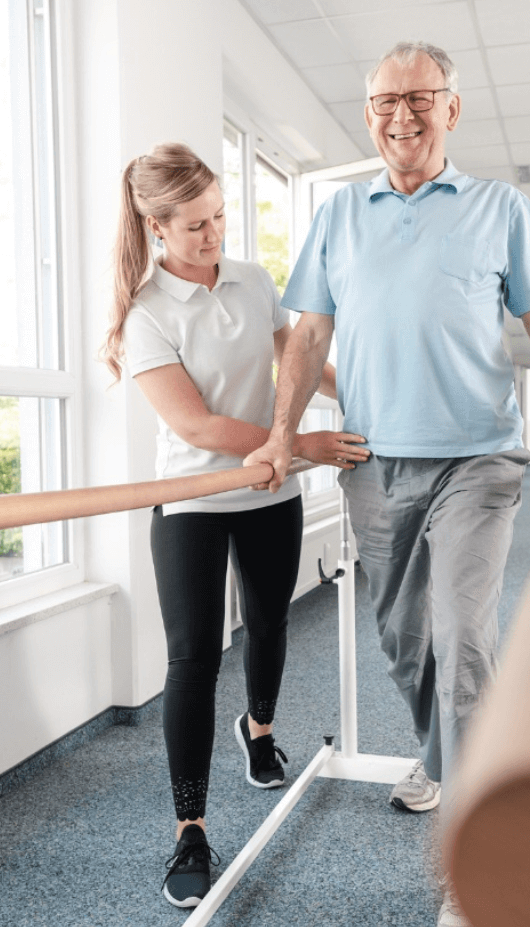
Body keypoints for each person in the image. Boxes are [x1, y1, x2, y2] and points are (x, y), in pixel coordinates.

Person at [243, 43, 530, 927]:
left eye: (419, 98)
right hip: (371, 464)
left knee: (462, 634)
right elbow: (306, 337)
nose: (400, 115)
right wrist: (280, 436)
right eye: (383, 102)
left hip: (478, 460)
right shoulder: (339, 215)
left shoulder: (500, 208)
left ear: (453, 109)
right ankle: (446, 758)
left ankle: (477, 856)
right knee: (407, 643)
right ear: (367, 112)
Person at [101, 143, 370, 909]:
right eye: (194, 226)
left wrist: (351, 396)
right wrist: (298, 443)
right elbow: (198, 422)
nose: (213, 234)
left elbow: (294, 355)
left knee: (269, 622)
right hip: (192, 496)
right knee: (191, 659)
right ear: (156, 227)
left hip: (267, 492)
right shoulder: (146, 314)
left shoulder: (252, 280)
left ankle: (259, 731)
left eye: (219, 217)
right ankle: (190, 828)